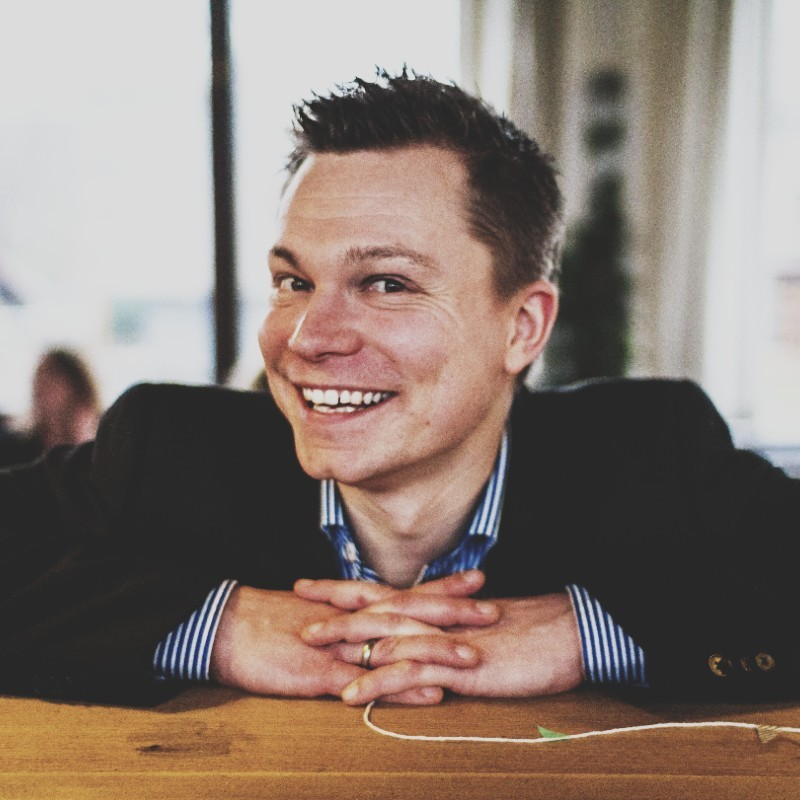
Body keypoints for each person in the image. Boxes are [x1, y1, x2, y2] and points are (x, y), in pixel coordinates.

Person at [1, 70, 798, 708]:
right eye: (293, 281)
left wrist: (585, 635)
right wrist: (216, 626)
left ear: (522, 328)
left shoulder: (656, 452)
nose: (308, 338)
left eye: (386, 283)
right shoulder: (166, 449)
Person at [0, 347, 100, 468]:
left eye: (52, 375)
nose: (40, 384)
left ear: (75, 384)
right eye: (39, 375)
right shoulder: (15, 446)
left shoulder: (102, 441)